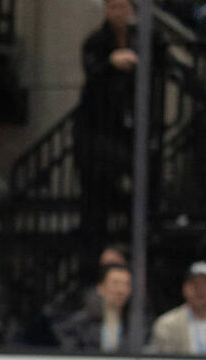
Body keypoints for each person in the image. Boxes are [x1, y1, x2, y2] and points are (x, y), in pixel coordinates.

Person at [75, 0, 140, 250]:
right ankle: (94, 245)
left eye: (122, 7)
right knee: (96, 194)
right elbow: (91, 73)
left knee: (132, 184)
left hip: (126, 127)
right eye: (112, 6)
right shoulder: (96, 41)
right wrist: (111, 63)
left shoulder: (140, 39)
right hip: (96, 128)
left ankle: (126, 235)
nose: (117, 12)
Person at [55, 263, 133, 353]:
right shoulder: (80, 325)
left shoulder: (137, 325)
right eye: (115, 283)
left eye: (126, 284)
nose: (121, 290)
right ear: (101, 288)